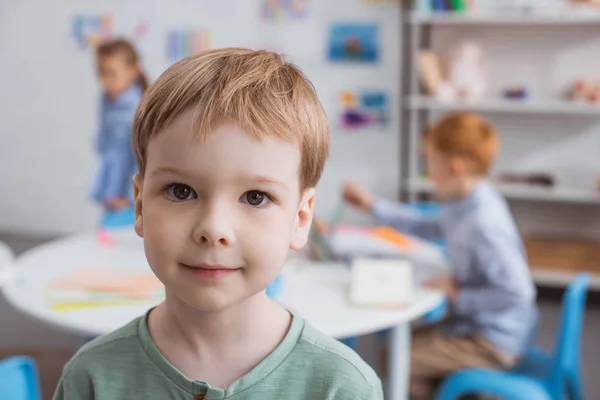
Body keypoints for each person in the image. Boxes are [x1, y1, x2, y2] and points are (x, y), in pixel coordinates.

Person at [54, 48, 383, 400]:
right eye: (181, 191)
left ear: (300, 219)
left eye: (255, 197)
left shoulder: (342, 387)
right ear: (139, 206)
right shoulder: (91, 379)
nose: (213, 229)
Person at [344, 112, 538, 400]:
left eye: (430, 162)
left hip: (493, 340)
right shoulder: (465, 202)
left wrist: (458, 295)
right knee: (396, 352)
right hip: (475, 324)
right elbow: (427, 225)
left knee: (400, 361)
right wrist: (374, 206)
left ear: (454, 169)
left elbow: (519, 293)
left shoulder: (483, 224)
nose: (427, 172)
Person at [92, 39, 147, 212]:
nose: (105, 80)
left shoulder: (136, 105)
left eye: (111, 74)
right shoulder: (107, 101)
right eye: (101, 73)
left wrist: (128, 193)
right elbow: (104, 140)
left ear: (133, 71)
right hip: (111, 175)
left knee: (127, 225)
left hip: (129, 181)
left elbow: (139, 154)